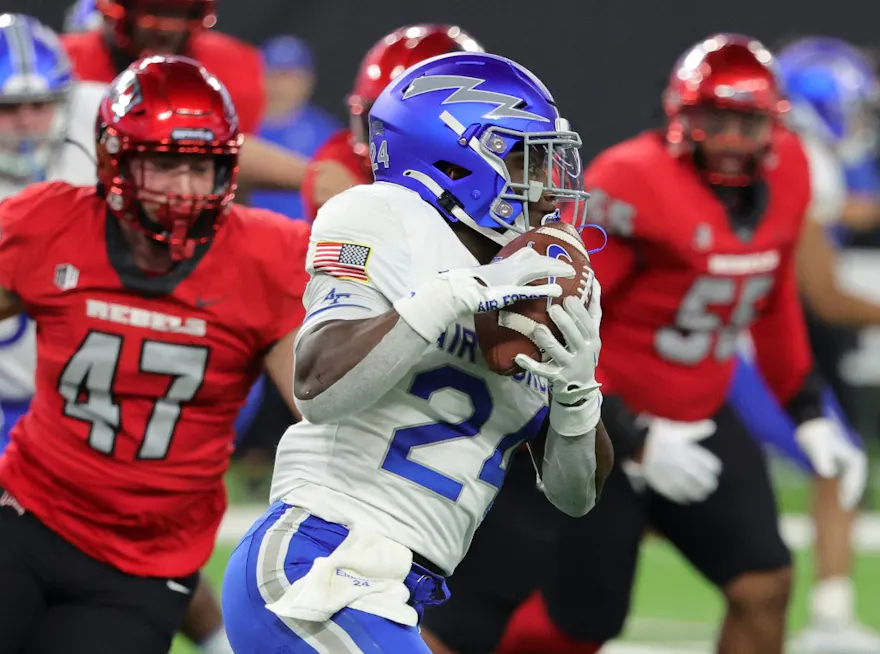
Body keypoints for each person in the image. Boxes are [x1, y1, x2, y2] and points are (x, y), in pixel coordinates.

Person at [423, 33, 864, 654]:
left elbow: (770, 299)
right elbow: (561, 322)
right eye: (716, 120)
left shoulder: (791, 172)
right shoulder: (632, 181)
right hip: (606, 424)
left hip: (704, 413)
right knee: (578, 627)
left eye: (747, 122)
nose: (734, 143)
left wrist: (809, 409)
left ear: (774, 125)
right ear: (681, 117)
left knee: (765, 583)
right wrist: (634, 435)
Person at [221, 50, 613, 654]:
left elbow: (573, 494)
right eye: (521, 156)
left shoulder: (533, 277)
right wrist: (452, 295)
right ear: (454, 158)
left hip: (397, 585)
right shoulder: (384, 216)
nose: (545, 184)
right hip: (318, 558)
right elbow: (318, 389)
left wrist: (578, 391)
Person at [0, 54, 308, 654]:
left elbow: (321, 405)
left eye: (203, 170)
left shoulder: (265, 257)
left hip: (145, 562)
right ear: (116, 161)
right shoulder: (50, 223)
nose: (187, 192)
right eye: (165, 167)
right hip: (29, 516)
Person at [726, 37, 880, 654]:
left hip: (727, 336)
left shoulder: (787, 156)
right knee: (838, 460)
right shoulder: (803, 159)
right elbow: (821, 294)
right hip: (735, 347)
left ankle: (831, 616)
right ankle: (832, 621)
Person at [61, 0, 349, 197]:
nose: (166, 27)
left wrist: (313, 177)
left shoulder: (232, 65)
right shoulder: (67, 63)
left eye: (179, 12)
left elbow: (231, 169)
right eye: (153, 10)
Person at [0, 13, 105, 453]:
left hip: (88, 398)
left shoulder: (98, 116)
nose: (26, 121)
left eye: (39, 105)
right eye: (8, 108)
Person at [301, 23, 483, 221]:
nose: (387, 141)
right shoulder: (343, 159)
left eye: (408, 124)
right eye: (378, 122)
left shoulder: (504, 163)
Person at [248, 35, 340, 220]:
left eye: (288, 76)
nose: (278, 85)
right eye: (271, 73)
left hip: (304, 238)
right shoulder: (239, 125)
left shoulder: (327, 133)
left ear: (307, 80)